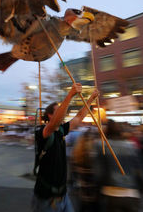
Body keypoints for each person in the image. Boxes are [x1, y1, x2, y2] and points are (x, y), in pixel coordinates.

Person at [32, 83, 99, 212]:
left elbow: (79, 117)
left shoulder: (62, 130)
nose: (64, 112)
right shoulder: (43, 131)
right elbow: (54, 124)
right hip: (46, 198)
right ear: (50, 116)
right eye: (58, 110)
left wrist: (91, 99)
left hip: (63, 195)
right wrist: (70, 94)